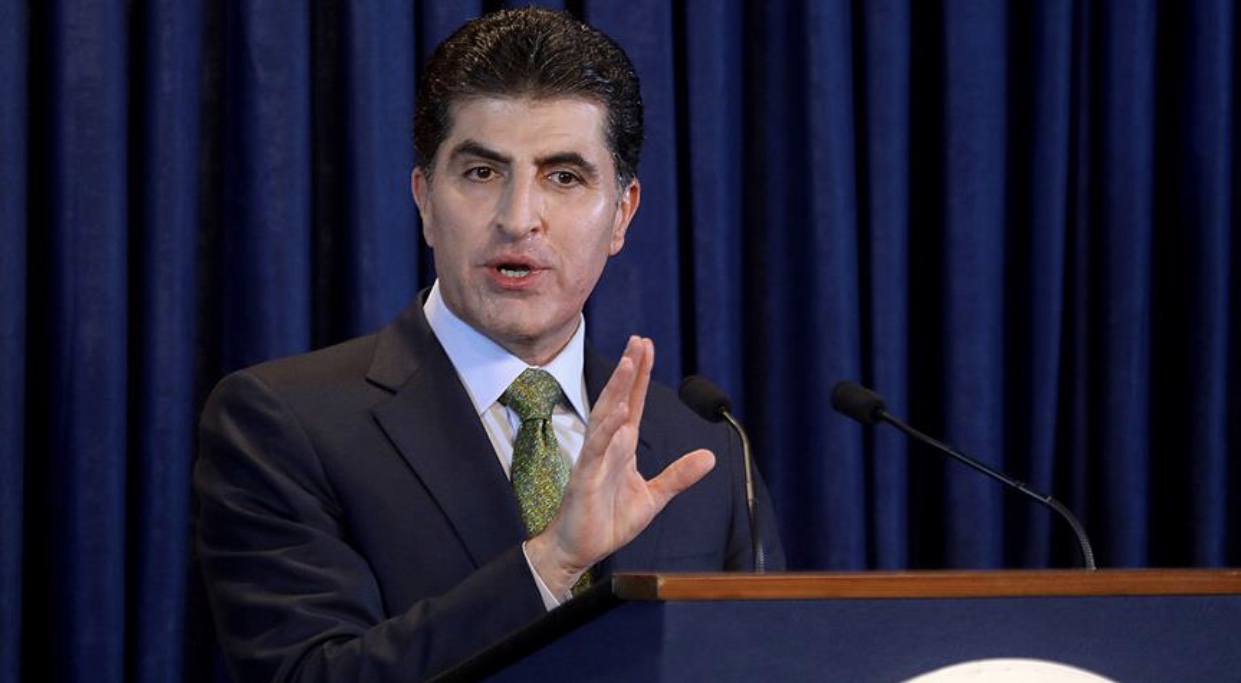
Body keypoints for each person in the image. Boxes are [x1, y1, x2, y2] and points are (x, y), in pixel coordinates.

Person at [194, 7, 785, 683]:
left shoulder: (701, 450)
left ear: (622, 213)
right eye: (481, 172)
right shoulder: (283, 422)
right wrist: (551, 563)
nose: (518, 218)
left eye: (563, 177)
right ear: (424, 199)